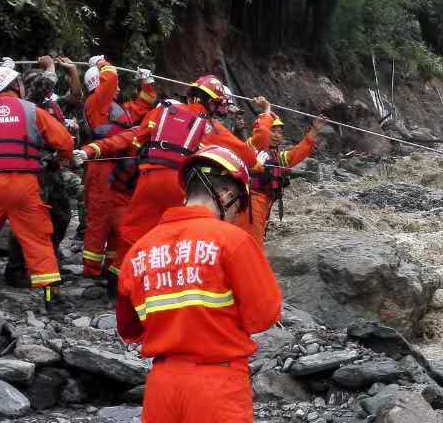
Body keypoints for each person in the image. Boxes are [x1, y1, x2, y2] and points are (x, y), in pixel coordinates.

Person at [116, 146, 280, 423]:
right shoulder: (231, 242)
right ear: (226, 193)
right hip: (218, 384)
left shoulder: (142, 250)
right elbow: (264, 314)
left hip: (164, 384)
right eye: (237, 203)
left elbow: (130, 328)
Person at [74, 75, 267, 269]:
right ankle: (172, 273)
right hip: (179, 184)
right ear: (210, 102)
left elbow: (136, 139)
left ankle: (120, 280)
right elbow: (245, 156)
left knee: (133, 230)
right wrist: (257, 163)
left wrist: (89, 150)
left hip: (148, 180)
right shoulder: (209, 126)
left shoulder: (161, 112)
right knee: (178, 232)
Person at [0, 66, 74, 308]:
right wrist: (61, 158)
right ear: (15, 85)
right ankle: (51, 297)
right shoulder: (31, 110)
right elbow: (64, 141)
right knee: (38, 240)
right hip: (25, 184)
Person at [2, 58, 81, 288]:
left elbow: (75, 98)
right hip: (34, 170)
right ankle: (16, 270)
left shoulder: (52, 104)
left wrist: (74, 71)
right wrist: (51, 67)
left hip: (52, 169)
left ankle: (49, 262)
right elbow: (45, 83)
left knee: (61, 215)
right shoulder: (27, 105)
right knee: (29, 222)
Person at [80, 56, 157, 280]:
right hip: (101, 166)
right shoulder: (96, 104)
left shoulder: (117, 110)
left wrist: (147, 82)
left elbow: (145, 103)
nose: (119, 88)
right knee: (99, 219)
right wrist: (102, 63)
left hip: (117, 167)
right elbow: (112, 76)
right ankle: (91, 271)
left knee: (118, 219)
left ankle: (112, 266)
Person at [239, 105, 329, 244]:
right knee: (252, 243)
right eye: (272, 131)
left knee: (256, 240)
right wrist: (267, 109)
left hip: (265, 204)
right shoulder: (250, 149)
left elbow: (299, 151)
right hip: (248, 203)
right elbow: (260, 133)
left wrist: (315, 130)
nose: (276, 135)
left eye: (279, 132)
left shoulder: (279, 158)